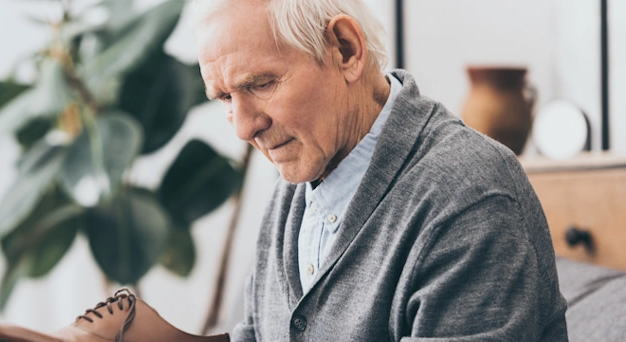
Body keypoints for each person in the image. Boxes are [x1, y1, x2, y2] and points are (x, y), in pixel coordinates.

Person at [194, 0, 569, 340]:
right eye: (226, 98)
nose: (243, 128)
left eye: (261, 84)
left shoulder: (469, 193)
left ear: (346, 49)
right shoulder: (294, 186)